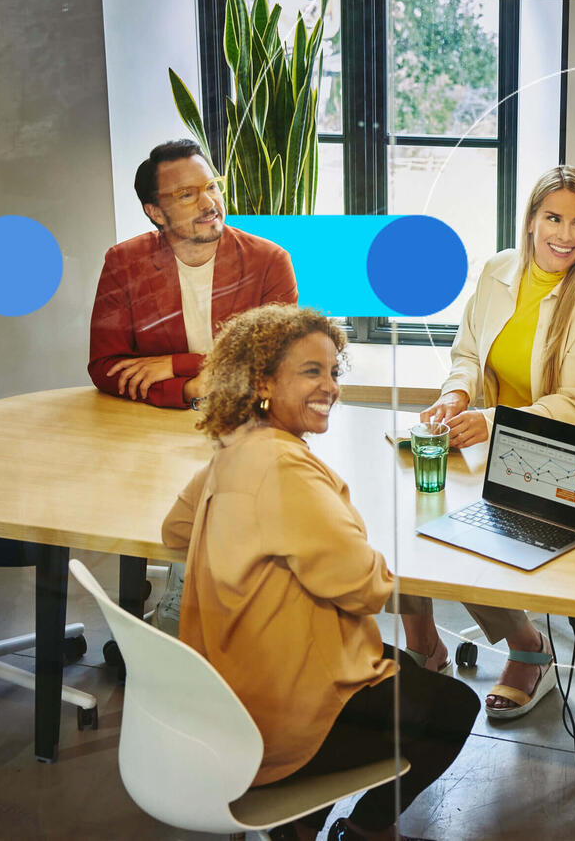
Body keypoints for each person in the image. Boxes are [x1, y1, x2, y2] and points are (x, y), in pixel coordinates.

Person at [161, 305, 479, 841]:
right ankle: (367, 830)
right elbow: (366, 586)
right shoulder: (285, 467)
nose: (330, 386)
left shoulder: (233, 447)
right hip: (285, 722)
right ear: (262, 381)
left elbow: (176, 530)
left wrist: (269, 561)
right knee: (453, 708)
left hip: (232, 693)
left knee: (400, 665)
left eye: (334, 371)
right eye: (311, 371)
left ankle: (299, 826)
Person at [402, 165, 575, 720]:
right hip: (489, 445)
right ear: (530, 221)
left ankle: (530, 650)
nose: (566, 235)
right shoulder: (500, 269)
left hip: (559, 457)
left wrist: (493, 419)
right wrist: (456, 397)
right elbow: (469, 355)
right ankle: (423, 644)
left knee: (468, 533)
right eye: (554, 218)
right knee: (415, 520)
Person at [88, 139, 297, 409]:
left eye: (211, 186)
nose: (209, 202)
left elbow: (279, 360)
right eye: (187, 194)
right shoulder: (123, 263)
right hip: (152, 427)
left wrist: (175, 364)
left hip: (248, 421)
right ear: (156, 212)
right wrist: (188, 388)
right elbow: (106, 368)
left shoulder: (270, 261)